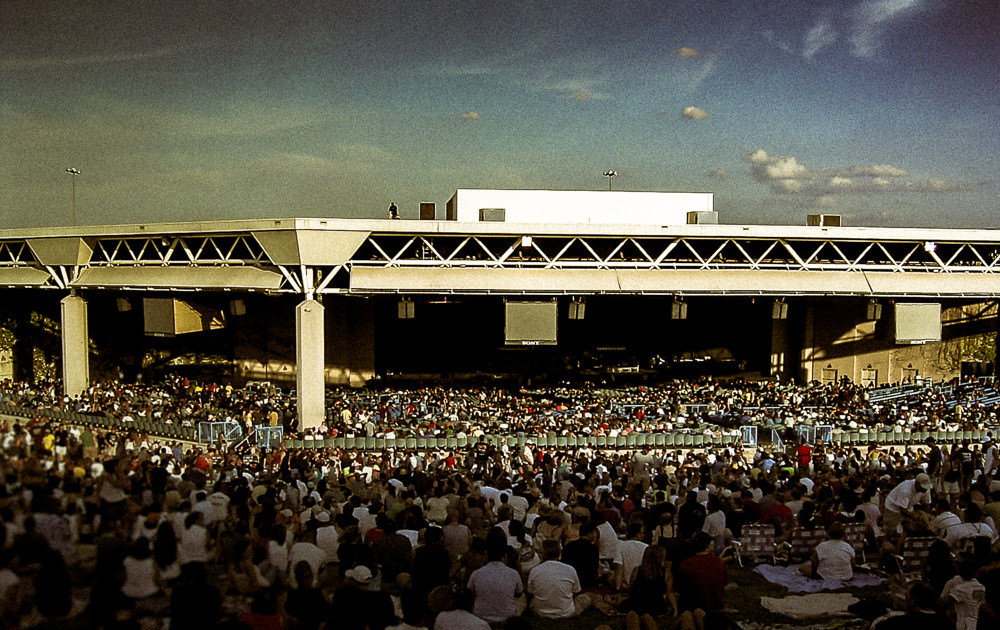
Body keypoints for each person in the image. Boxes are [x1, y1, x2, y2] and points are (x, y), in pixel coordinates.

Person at [467, 528, 523, 624]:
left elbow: (469, 593)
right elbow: (519, 593)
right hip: (507, 616)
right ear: (504, 557)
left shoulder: (476, 573)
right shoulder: (513, 573)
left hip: (481, 616)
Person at [525, 539, 587, 619]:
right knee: (586, 598)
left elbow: (530, 592)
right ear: (559, 553)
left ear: (542, 553)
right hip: (566, 612)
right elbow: (576, 591)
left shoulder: (535, 570)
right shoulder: (570, 569)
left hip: (540, 612)